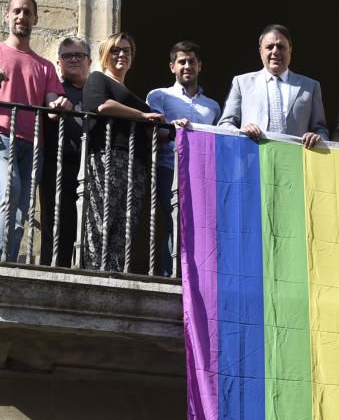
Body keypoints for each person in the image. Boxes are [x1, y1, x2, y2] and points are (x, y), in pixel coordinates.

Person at [0, 0, 71, 262]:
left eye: (27, 12)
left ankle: (7, 259)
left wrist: (62, 106)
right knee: (9, 195)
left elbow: (53, 106)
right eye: (17, 11)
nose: (22, 16)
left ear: (35, 19)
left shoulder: (44, 67)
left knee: (22, 211)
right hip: (0, 137)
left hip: (33, 145)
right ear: (7, 16)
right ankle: (4, 262)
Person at [82, 31, 164, 272]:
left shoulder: (134, 97)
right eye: (116, 50)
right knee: (102, 218)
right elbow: (102, 105)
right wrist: (143, 116)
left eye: (126, 51)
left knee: (124, 224)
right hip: (109, 157)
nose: (121, 55)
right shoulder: (98, 79)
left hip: (135, 164)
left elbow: (157, 133)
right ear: (105, 54)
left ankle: (116, 271)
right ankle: (95, 270)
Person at [146, 41, 221, 277]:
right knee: (175, 222)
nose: (187, 66)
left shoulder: (213, 107)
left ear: (200, 66)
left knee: (201, 227)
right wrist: (173, 129)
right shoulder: (158, 96)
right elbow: (152, 131)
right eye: (182, 61)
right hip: (169, 167)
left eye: (192, 61)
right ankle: (172, 276)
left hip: (202, 173)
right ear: (172, 67)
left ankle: (199, 277)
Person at [218, 24, 327, 149]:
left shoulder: (310, 86)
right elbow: (224, 125)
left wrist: (316, 137)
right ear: (261, 51)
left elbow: (321, 130)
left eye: (280, 46)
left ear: (290, 50)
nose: (275, 51)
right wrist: (242, 132)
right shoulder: (242, 83)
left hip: (295, 163)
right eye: (269, 47)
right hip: (253, 160)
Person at [40, 36, 90, 268]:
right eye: (66, 56)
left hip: (91, 169)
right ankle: (53, 274)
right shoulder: (52, 90)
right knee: (57, 226)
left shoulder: (96, 93)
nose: (73, 60)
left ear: (88, 61)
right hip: (58, 166)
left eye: (78, 55)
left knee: (90, 227)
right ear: (58, 63)